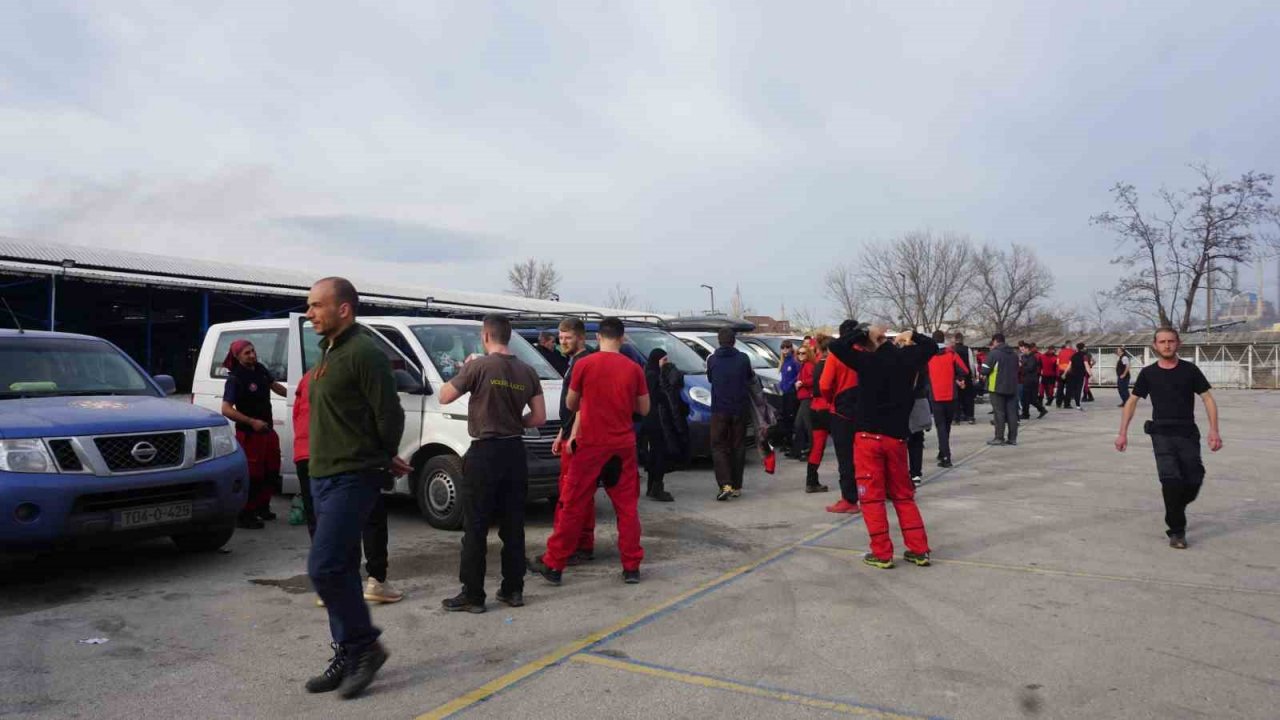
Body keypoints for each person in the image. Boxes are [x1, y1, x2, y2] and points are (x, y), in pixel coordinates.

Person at [303, 277, 408, 699]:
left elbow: (390, 414)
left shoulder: (364, 352)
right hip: (322, 475)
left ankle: (365, 646)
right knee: (341, 569)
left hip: (353, 474)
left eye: (316, 306)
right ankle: (348, 652)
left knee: (323, 567)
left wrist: (382, 456)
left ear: (343, 309)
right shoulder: (328, 350)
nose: (309, 313)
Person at [436, 314, 546, 613]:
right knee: (513, 526)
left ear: (486, 336)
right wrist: (514, 421)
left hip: (484, 453)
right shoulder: (528, 370)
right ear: (507, 336)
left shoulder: (479, 365)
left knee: (476, 526)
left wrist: (464, 368)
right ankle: (513, 590)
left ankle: (473, 595)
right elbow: (538, 418)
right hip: (514, 452)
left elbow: (444, 396)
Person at [530, 317, 648, 585]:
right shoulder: (634, 369)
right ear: (622, 337)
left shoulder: (584, 365)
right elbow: (644, 409)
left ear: (598, 337)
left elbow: (571, 403)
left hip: (590, 445)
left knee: (572, 504)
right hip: (622, 447)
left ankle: (555, 563)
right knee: (627, 508)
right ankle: (631, 567)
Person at [827, 325, 937, 569]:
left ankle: (882, 553)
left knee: (872, 499)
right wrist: (912, 335)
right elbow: (931, 346)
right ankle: (919, 550)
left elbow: (835, 346)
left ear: (870, 343)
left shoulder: (866, 361)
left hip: (868, 439)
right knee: (903, 495)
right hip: (896, 438)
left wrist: (863, 333)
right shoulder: (908, 358)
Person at [294, 369, 403, 606]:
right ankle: (376, 581)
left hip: (305, 454)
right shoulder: (355, 376)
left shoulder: (308, 377)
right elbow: (367, 420)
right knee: (371, 515)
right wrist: (385, 456)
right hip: (341, 455)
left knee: (322, 520)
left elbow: (298, 416)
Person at [1115, 328, 1222, 549]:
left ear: (1178, 343)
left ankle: (1175, 508)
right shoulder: (1148, 373)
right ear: (1155, 345)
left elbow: (1208, 399)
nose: (1166, 345)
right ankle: (1177, 530)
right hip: (1161, 433)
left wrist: (1214, 430)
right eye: (1162, 342)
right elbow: (1132, 402)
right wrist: (1122, 432)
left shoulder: (1190, 370)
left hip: (1187, 433)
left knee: (1194, 478)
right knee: (1171, 481)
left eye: (1171, 341)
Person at [220, 339, 287, 529]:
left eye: (252, 351)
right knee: (253, 475)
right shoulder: (235, 378)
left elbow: (275, 386)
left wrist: (296, 394)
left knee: (271, 470)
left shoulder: (260, 369)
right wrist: (251, 422)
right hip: (250, 435)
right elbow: (226, 409)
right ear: (237, 356)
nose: (252, 355)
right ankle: (246, 514)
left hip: (267, 430)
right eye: (247, 353)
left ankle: (262, 507)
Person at [551, 318, 598, 564]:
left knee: (572, 494)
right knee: (578, 493)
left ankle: (574, 547)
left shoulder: (584, 362)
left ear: (581, 337)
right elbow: (569, 407)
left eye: (567, 337)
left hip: (579, 439)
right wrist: (562, 432)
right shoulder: (573, 361)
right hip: (570, 434)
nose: (562, 341)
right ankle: (581, 544)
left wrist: (574, 435)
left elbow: (583, 403)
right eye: (560, 337)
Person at [707, 326, 754, 501]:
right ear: (734, 341)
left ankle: (725, 484)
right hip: (739, 409)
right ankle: (736, 486)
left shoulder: (712, 360)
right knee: (738, 446)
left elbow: (711, 378)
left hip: (719, 409)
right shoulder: (743, 358)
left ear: (719, 341)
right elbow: (749, 377)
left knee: (719, 446)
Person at [820, 320, 862, 512]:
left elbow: (825, 385)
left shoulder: (836, 355)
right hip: (866, 409)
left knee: (846, 457)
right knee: (868, 454)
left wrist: (831, 400)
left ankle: (850, 499)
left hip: (842, 411)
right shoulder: (867, 352)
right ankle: (876, 492)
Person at [926, 330, 968, 468]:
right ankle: (942, 451)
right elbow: (964, 370)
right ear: (943, 339)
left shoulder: (927, 355)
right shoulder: (951, 353)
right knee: (947, 426)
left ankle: (946, 456)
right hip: (951, 395)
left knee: (940, 427)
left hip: (935, 396)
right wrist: (957, 378)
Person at [640, 349, 677, 502]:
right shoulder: (653, 376)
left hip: (652, 419)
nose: (665, 363)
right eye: (664, 360)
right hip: (656, 420)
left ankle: (652, 486)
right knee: (659, 453)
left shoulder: (649, 373)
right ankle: (656, 487)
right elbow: (658, 397)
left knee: (656, 453)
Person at [806, 337, 835, 496]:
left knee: (817, 447)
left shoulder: (817, 365)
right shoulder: (829, 365)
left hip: (815, 408)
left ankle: (811, 481)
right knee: (844, 446)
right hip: (828, 407)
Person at [985, 334, 1021, 446]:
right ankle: (1012, 438)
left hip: (996, 387)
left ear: (995, 341)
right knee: (1012, 413)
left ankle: (999, 437)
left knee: (999, 413)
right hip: (1012, 387)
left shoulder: (994, 353)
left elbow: (984, 370)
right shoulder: (1014, 355)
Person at [792, 343, 816, 460]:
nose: (800, 355)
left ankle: (812, 451)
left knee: (807, 425)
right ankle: (799, 450)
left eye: (803, 353)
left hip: (807, 398)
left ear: (808, 354)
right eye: (799, 353)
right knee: (799, 424)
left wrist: (802, 383)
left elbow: (814, 379)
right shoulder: (803, 365)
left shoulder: (809, 365)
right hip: (803, 398)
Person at [778, 341, 800, 456]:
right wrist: (781, 385)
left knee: (791, 418)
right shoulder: (783, 362)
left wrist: (791, 384)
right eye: (783, 347)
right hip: (785, 393)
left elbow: (798, 375)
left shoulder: (794, 361)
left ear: (791, 348)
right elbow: (783, 377)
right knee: (785, 417)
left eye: (787, 347)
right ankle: (786, 441)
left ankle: (791, 443)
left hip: (792, 393)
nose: (785, 350)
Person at [1019, 342, 1048, 420]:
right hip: (1026, 379)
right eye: (1021, 349)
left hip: (1031, 380)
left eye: (1023, 349)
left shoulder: (1032, 357)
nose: (1022, 350)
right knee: (1026, 398)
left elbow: (1030, 368)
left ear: (1028, 349)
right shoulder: (1024, 357)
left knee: (1031, 399)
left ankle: (1040, 410)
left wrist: (1021, 366)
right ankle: (1026, 413)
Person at [953, 333, 976, 423]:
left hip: (955, 376)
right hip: (966, 376)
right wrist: (973, 375)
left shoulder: (951, 350)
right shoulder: (967, 349)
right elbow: (971, 364)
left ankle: (956, 418)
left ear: (955, 339)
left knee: (956, 397)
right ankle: (970, 416)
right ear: (962, 340)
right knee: (968, 397)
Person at [1065, 342, 1088, 410]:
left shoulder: (1073, 355)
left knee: (1070, 389)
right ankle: (1078, 405)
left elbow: (1069, 366)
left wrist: (1064, 373)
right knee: (1078, 390)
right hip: (1080, 375)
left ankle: (1067, 403)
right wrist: (1091, 374)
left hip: (1072, 375)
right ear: (1083, 348)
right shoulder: (1084, 355)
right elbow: (1086, 366)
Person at [1056, 342, 1075, 408]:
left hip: (1061, 371)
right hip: (1069, 372)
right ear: (1070, 345)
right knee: (1068, 389)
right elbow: (1073, 362)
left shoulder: (1060, 352)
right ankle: (1067, 404)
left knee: (1060, 388)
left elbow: (1057, 362)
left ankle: (1058, 403)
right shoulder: (1073, 352)